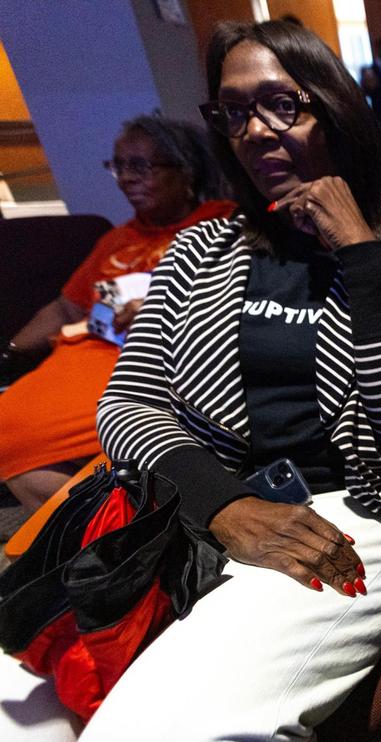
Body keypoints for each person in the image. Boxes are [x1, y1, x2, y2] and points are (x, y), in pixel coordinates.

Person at [0, 20, 381, 742]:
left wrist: (361, 255)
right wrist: (225, 505)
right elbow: (126, 406)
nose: (254, 130)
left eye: (282, 103)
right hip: (185, 498)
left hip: (344, 517)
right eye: (235, 111)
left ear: (335, 113)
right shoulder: (200, 250)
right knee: (13, 725)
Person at [0, 115, 232, 511]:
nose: (126, 178)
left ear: (186, 170)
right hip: (81, 353)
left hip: (143, 360)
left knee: (12, 433)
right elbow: (65, 307)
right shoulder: (116, 238)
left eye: (141, 165)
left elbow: (233, 298)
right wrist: (10, 351)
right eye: (119, 166)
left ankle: (114, 535)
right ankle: (109, 536)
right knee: (15, 446)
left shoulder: (220, 222)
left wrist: (160, 304)